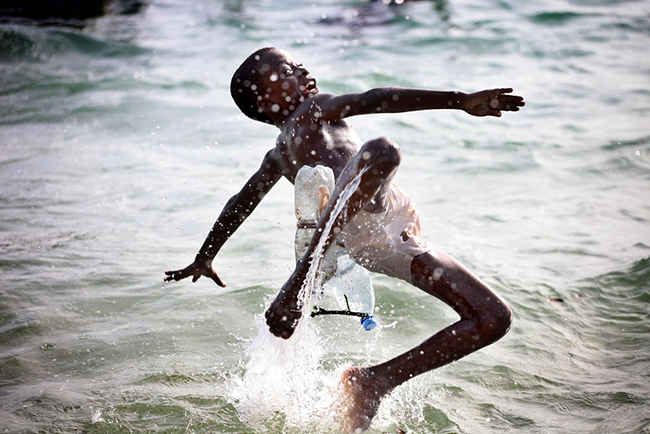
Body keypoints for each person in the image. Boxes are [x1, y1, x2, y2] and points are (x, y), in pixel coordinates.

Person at [165, 47, 524, 432]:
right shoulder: (313, 110)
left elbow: (240, 204)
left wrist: (205, 256)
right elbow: (374, 99)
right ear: (266, 99)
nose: (303, 68)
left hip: (386, 243)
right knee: (383, 150)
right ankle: (300, 280)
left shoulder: (278, 156)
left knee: (493, 317)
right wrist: (459, 101)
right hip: (359, 220)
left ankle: (375, 381)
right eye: (288, 68)